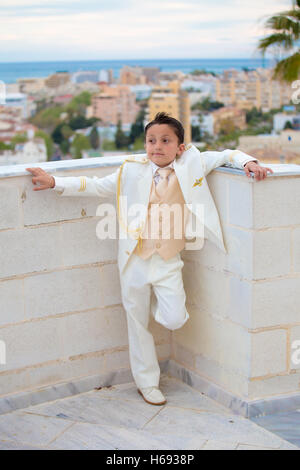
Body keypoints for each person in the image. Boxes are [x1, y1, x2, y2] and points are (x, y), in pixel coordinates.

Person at [26, 112, 273, 406]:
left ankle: (157, 302)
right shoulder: (131, 170)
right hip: (134, 260)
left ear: (180, 147)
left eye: (166, 140)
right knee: (137, 324)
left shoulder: (193, 163)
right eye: (151, 140)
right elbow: (95, 185)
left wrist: (248, 162)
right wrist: (54, 181)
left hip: (168, 260)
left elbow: (226, 154)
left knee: (174, 317)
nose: (157, 146)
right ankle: (147, 383)